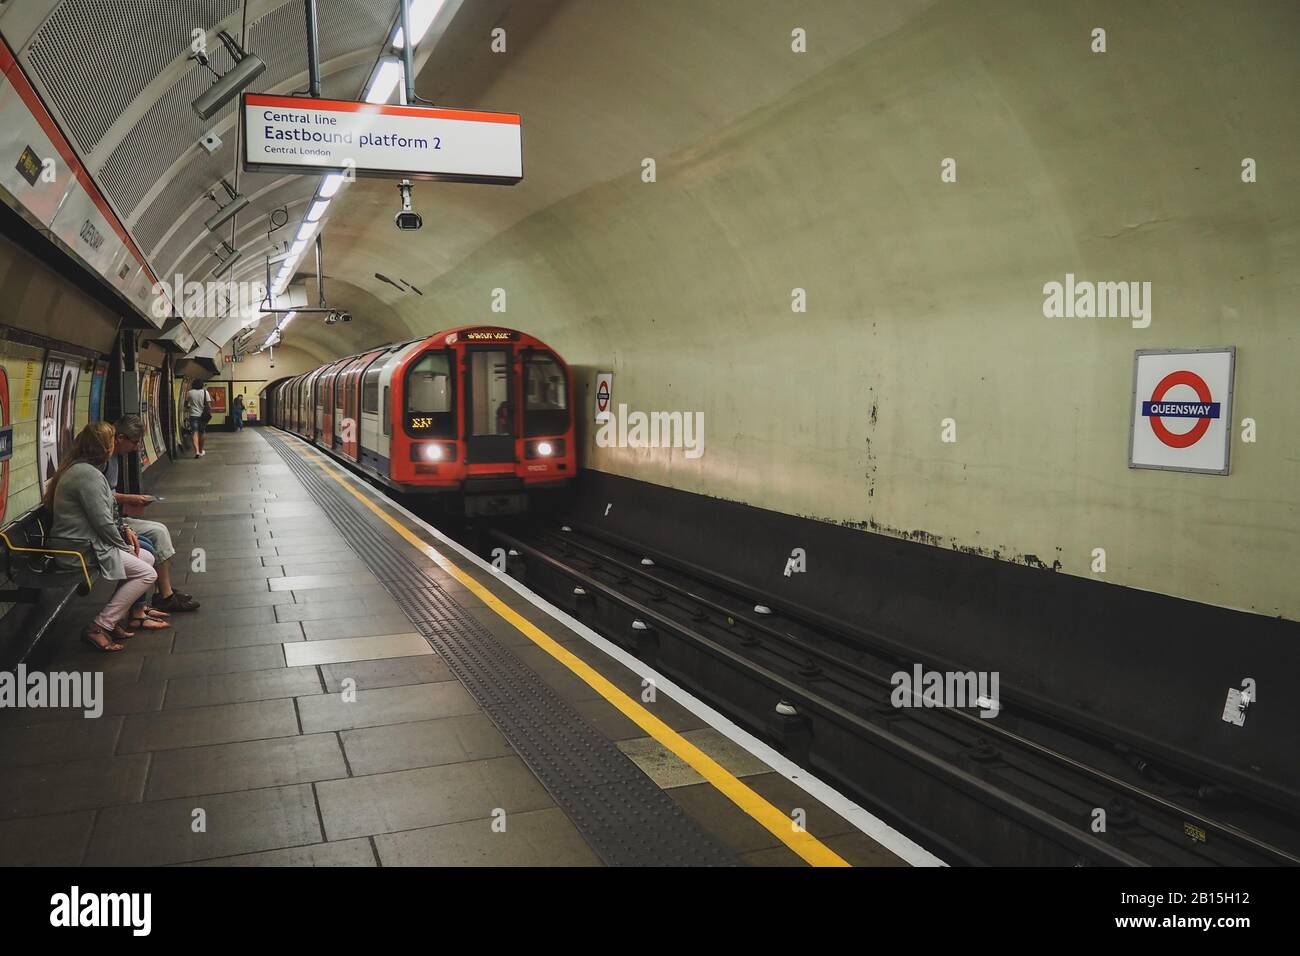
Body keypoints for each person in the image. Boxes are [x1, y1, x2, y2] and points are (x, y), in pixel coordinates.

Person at [45, 423, 156, 653]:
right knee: (147, 573)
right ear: (103, 446)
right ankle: (99, 626)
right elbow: (102, 521)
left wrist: (125, 530)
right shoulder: (86, 475)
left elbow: (108, 516)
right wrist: (123, 545)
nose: (115, 442)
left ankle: (112, 620)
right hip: (80, 551)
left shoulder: (84, 470)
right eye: (113, 438)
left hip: (87, 544)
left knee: (146, 558)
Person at [107, 416, 199, 614]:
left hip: (115, 520)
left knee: (159, 532)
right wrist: (129, 499)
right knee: (151, 540)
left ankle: (163, 593)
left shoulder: (114, 457)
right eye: (135, 442)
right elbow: (101, 497)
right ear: (121, 438)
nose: (136, 446)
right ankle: (162, 597)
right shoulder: (103, 461)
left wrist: (128, 501)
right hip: (109, 524)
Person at [184, 380, 210, 457]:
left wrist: (190, 406)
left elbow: (186, 405)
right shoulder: (205, 392)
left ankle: (197, 451)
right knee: (202, 433)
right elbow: (208, 405)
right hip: (203, 416)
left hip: (193, 415)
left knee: (194, 433)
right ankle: (201, 450)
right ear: (202, 385)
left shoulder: (190, 392)